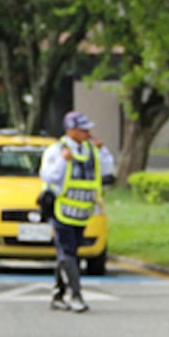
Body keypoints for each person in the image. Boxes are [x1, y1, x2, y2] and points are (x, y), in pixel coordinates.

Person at [39, 111, 113, 313]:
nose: (87, 132)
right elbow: (48, 176)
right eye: (82, 129)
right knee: (68, 251)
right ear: (70, 130)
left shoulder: (91, 149)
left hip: (82, 210)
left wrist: (103, 151)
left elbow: (106, 170)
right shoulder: (56, 150)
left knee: (69, 253)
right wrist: (64, 161)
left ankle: (58, 294)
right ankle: (76, 295)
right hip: (61, 209)